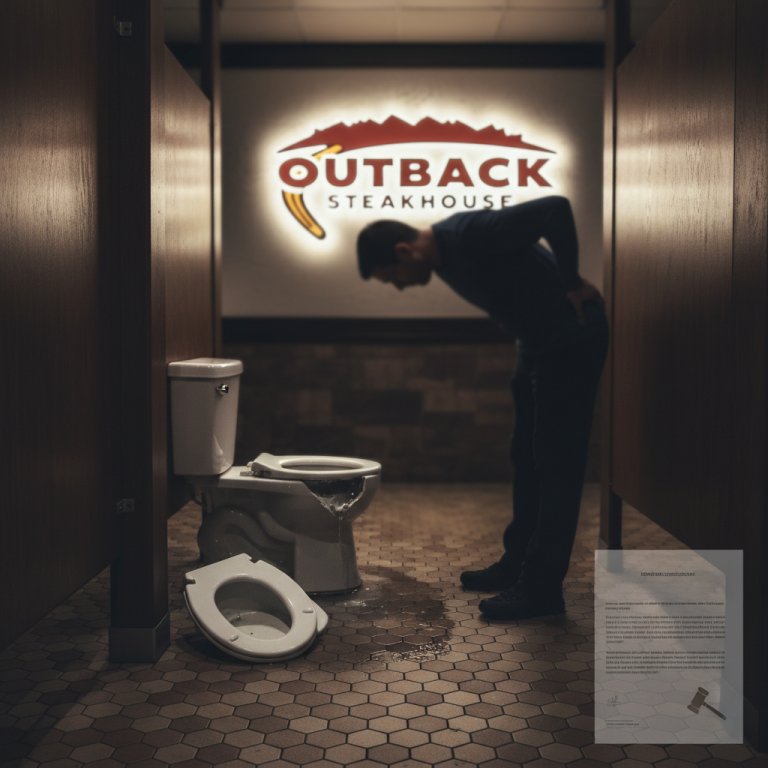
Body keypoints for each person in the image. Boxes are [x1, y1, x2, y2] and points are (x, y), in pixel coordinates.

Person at [356, 196, 608, 620]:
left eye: (393, 278)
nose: (399, 286)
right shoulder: (444, 257)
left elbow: (555, 209)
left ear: (404, 251)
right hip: (536, 347)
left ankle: (542, 589)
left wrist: (568, 281)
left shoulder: (466, 233)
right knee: (525, 457)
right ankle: (516, 564)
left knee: (556, 466)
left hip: (569, 342)